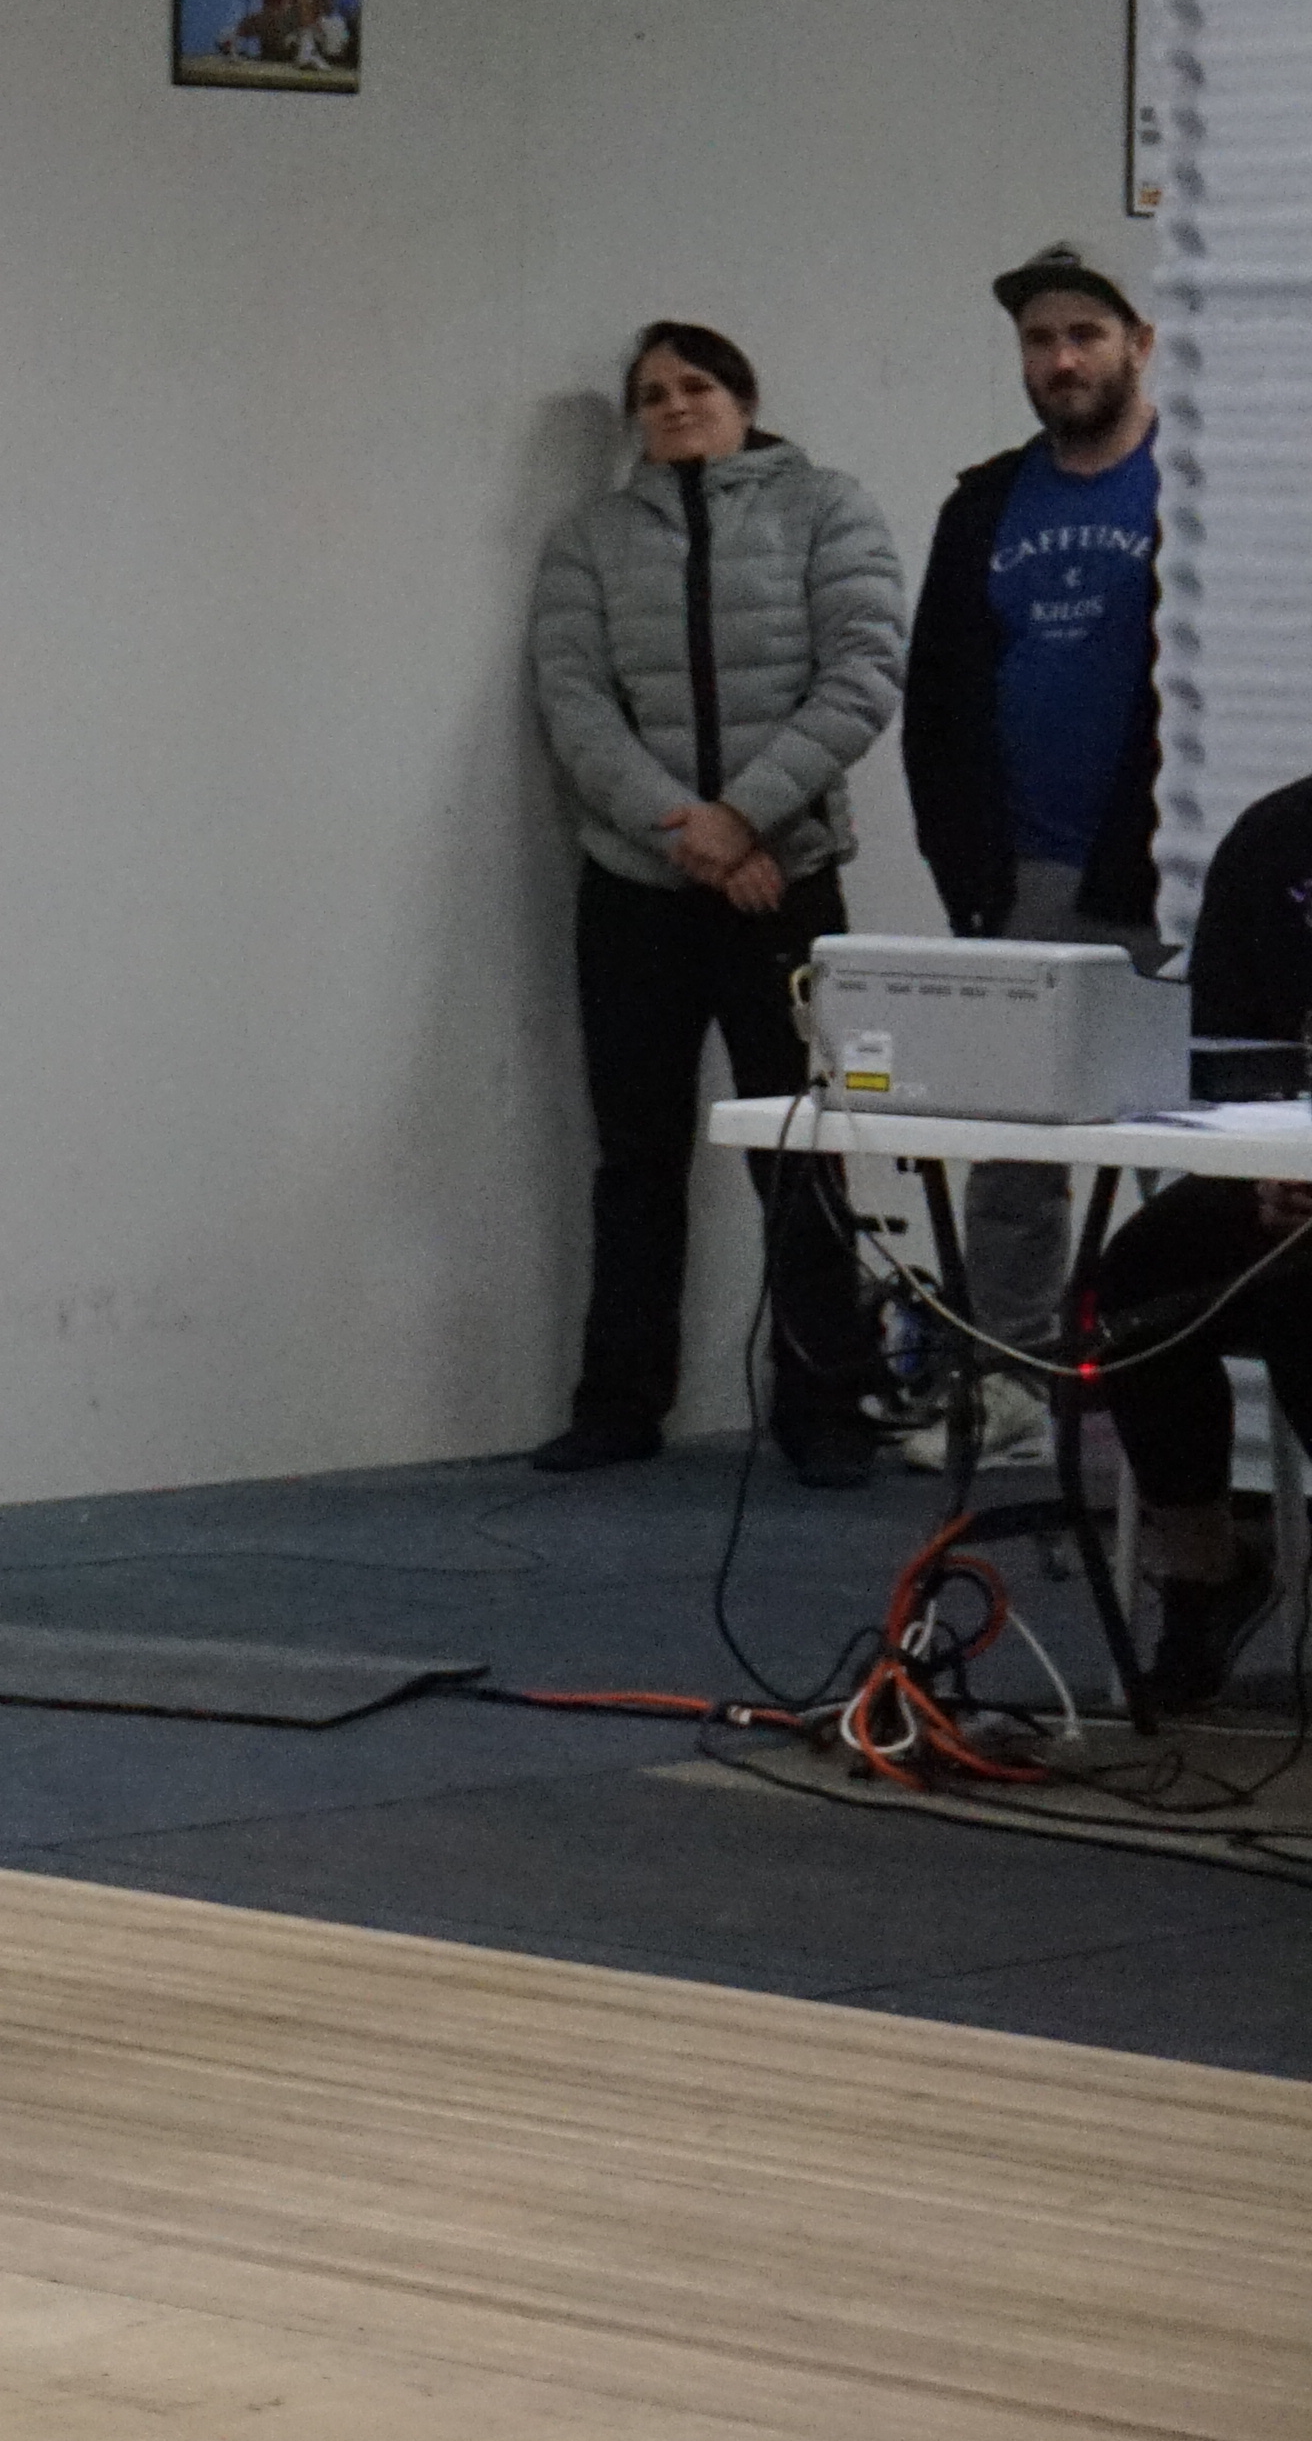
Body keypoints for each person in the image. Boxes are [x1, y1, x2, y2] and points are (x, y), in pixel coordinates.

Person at [525, 322, 907, 1478]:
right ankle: (617, 1402)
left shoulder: (825, 509)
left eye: (693, 384)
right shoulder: (588, 538)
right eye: (649, 394)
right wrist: (694, 836)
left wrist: (747, 817)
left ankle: (822, 1405)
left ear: (741, 396)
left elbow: (860, 670)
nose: (673, 406)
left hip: (782, 881)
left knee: (801, 1148)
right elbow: (575, 704)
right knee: (633, 1153)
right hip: (638, 884)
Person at [903, 246, 1167, 1360]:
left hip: (1172, 866)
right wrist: (967, 872)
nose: (1059, 359)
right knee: (1014, 1160)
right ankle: (1009, 1374)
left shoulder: (1196, 485)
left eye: (1083, 335)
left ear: (1137, 344)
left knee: (1184, 1154)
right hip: (1027, 875)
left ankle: (1181, 1389)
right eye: (1037, 339)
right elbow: (933, 702)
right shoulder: (981, 505)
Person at [1072, 767, 1312, 1710]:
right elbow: (1213, 1047)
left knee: (1299, 1306)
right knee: (1136, 1283)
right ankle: (1205, 1574)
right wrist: (1266, 1163)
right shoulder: (1275, 838)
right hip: (1276, 1170)